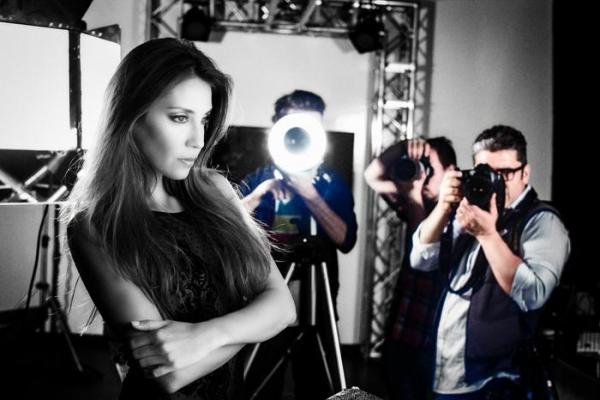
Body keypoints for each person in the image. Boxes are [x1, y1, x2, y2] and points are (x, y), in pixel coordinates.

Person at [62, 38, 296, 399]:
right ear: (131, 117)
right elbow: (170, 374)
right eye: (180, 118)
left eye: (204, 119)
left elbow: (283, 308)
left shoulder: (216, 189)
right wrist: (252, 320)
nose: (199, 139)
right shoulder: (95, 225)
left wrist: (206, 336)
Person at [410, 125, 570, 399]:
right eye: (486, 173)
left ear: (525, 173)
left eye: (505, 173)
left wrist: (487, 235)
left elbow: (534, 294)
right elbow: (420, 259)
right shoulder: (471, 210)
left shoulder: (542, 221)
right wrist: (443, 207)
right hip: (448, 371)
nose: (496, 182)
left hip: (497, 380)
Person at [240, 90, 358, 400]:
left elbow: (346, 240)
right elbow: (225, 227)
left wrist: (310, 194)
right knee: (259, 387)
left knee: (318, 387)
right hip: (264, 303)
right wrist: (259, 195)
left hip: (317, 304)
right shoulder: (260, 178)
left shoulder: (330, 182)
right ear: (277, 127)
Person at [364, 136, 457, 400]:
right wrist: (404, 147)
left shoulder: (461, 212)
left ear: (451, 172)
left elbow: (424, 253)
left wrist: (414, 197)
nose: (423, 176)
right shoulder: (415, 198)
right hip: (403, 326)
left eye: (430, 168)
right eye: (420, 166)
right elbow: (371, 176)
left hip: (435, 334)